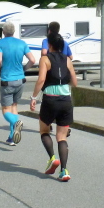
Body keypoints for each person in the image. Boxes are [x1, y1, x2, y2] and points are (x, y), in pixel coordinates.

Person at [30, 33, 77, 182]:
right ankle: (64, 170)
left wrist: (34, 97)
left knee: (44, 130)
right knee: (62, 137)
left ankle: (52, 158)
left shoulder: (45, 59)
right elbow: (75, 82)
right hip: (66, 100)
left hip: (50, 100)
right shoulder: (67, 59)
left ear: (49, 45)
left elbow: (41, 79)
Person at [0, 21, 36, 145]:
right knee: (14, 107)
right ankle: (12, 137)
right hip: (20, 80)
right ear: (14, 31)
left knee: (5, 110)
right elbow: (32, 60)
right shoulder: (22, 43)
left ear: (3, 32)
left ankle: (15, 123)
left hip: (7, 80)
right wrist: (24, 69)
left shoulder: (0, 43)